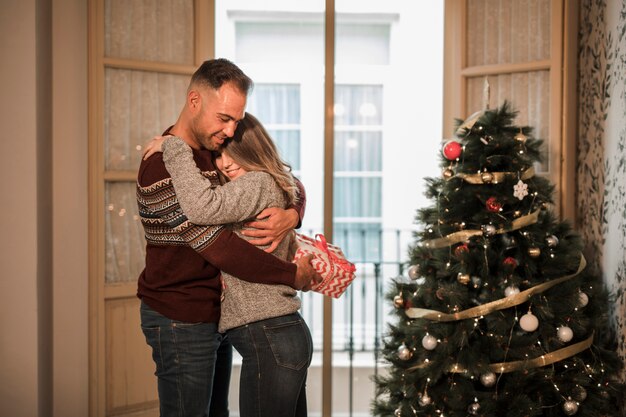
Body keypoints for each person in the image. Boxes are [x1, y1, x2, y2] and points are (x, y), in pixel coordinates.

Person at [136, 58, 320, 417]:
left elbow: (279, 177)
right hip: (180, 315)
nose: (233, 129)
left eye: (238, 119)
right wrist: (292, 276)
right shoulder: (164, 164)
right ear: (195, 101)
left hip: (216, 316)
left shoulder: (212, 153)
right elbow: (220, 248)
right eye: (225, 118)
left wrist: (292, 214)